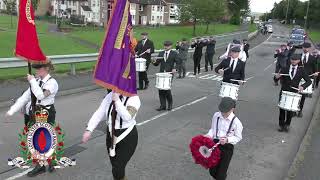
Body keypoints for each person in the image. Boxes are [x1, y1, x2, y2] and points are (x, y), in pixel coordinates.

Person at [5, 61, 58, 177]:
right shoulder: (37, 81)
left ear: (46, 69)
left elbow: (41, 96)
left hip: (46, 112)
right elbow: (25, 97)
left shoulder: (52, 83)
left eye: (39, 68)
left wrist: (32, 81)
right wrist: (12, 110)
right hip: (34, 113)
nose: (36, 71)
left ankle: (42, 164)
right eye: (36, 68)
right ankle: (47, 161)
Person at [82, 91, 141, 180]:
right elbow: (99, 112)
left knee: (118, 168)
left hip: (127, 137)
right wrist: (89, 129)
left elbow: (128, 117)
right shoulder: (110, 96)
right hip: (111, 135)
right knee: (115, 168)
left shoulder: (134, 98)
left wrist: (117, 101)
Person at [205, 97, 243, 180]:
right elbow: (213, 129)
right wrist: (209, 135)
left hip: (227, 148)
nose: (223, 113)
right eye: (222, 111)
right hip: (215, 144)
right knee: (212, 170)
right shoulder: (216, 115)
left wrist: (228, 140)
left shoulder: (237, 122)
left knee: (221, 174)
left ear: (232, 109)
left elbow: (238, 137)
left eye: (226, 112)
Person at [274, 54, 312, 132]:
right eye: (292, 59)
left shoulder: (301, 70)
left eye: (295, 60)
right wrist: (276, 77)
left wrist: (302, 86)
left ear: (298, 61)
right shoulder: (284, 68)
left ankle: (287, 124)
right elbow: (276, 79)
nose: (293, 61)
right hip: (284, 91)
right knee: (282, 109)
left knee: (290, 110)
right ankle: (281, 125)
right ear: (290, 60)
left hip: (294, 93)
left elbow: (309, 81)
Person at [152, 41, 177, 111]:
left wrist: (175, 68)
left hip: (169, 74)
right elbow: (156, 63)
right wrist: (153, 61)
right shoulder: (161, 53)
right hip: (161, 74)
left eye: (167, 45)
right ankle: (162, 105)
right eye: (165, 45)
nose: (166, 47)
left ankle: (170, 104)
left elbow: (178, 62)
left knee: (167, 89)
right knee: (160, 90)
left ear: (171, 46)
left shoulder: (174, 53)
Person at [298, 42, 317, 117]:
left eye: (307, 47)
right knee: (296, 94)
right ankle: (294, 109)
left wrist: (315, 74)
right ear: (302, 48)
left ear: (309, 48)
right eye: (304, 47)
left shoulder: (312, 58)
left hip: (306, 79)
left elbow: (315, 69)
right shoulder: (298, 56)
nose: (305, 49)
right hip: (298, 78)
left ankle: (300, 110)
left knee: (302, 96)